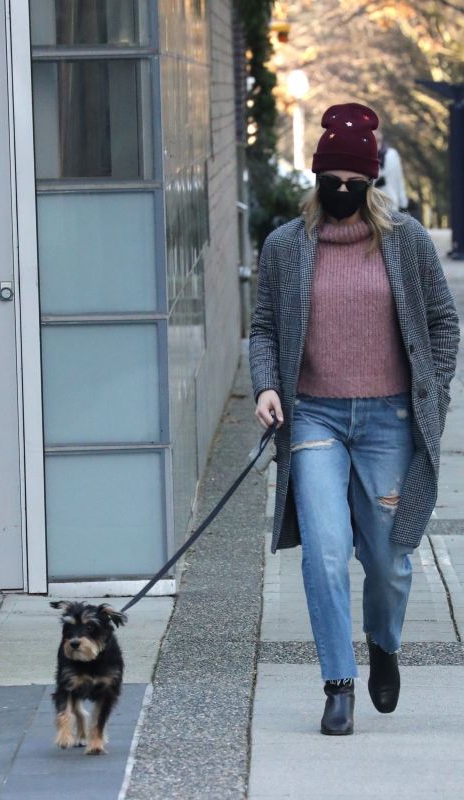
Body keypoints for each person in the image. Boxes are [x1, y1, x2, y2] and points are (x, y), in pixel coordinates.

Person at [249, 102, 459, 736]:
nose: (340, 192)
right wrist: (265, 386)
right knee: (325, 553)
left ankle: (384, 644)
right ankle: (337, 682)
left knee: (391, 560)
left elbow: (445, 323)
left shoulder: (407, 240)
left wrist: (433, 390)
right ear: (316, 180)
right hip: (314, 417)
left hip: (390, 419)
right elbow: (263, 329)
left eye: (352, 183)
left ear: (371, 184)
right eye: (329, 181)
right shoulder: (287, 246)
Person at [374, 128, 408, 212]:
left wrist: (403, 203)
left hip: (392, 204)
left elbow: (399, 179)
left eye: (377, 131)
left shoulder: (392, 154)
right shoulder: (365, 156)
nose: (375, 133)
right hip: (373, 206)